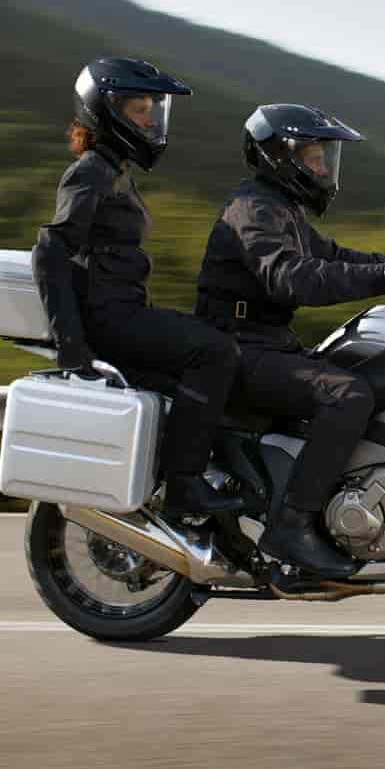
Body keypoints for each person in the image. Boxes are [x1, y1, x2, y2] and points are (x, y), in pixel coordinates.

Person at [195, 104, 385, 576]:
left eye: (325, 158)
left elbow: (333, 254)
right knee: (349, 396)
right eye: (313, 157)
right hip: (238, 348)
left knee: (362, 369)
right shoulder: (252, 209)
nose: (323, 168)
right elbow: (293, 277)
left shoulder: (279, 207)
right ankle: (291, 525)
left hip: (267, 343)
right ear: (278, 156)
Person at [34, 57, 243, 516]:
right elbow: (50, 250)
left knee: (218, 344)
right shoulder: (92, 170)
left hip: (125, 309)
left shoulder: (115, 170)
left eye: (153, 109)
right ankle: (184, 485)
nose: (151, 120)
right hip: (110, 318)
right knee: (215, 352)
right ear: (106, 111)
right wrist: (70, 345)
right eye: (139, 109)